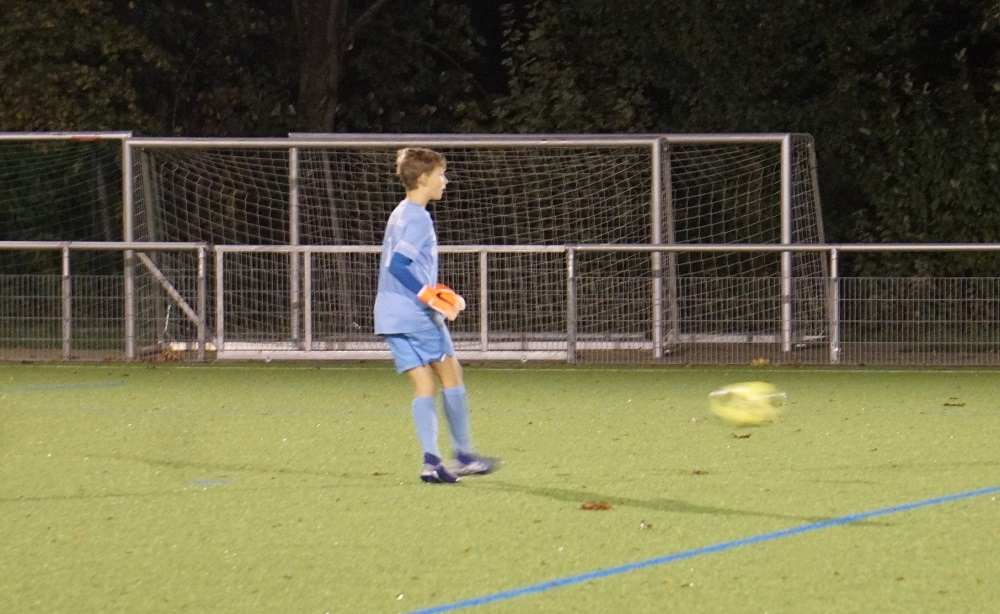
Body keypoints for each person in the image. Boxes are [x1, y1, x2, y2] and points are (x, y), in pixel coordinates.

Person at [374, 147, 501, 484]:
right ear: (423, 179)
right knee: (452, 374)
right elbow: (398, 266)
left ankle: (431, 462)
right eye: (440, 175)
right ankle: (464, 456)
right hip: (415, 315)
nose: (445, 181)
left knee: (424, 385)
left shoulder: (399, 213)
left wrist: (433, 288)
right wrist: (429, 296)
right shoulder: (419, 217)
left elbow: (402, 266)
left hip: (388, 315)